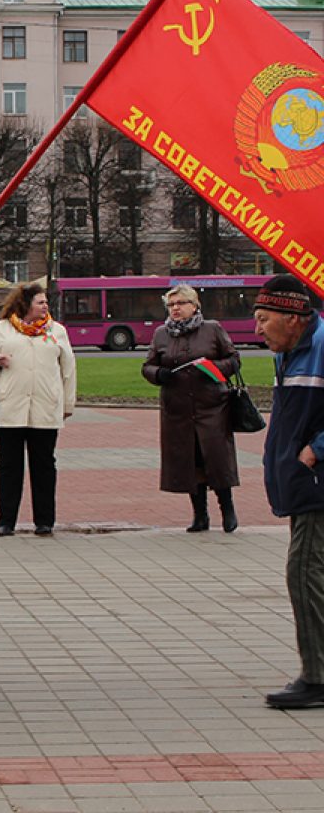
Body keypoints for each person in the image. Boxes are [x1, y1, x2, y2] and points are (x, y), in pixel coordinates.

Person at [254, 275, 324, 709]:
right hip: (305, 482)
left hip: (317, 482)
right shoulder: (292, 349)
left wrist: (315, 452)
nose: (256, 328)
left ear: (293, 318)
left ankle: (318, 677)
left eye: (264, 319)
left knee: (305, 572)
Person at [0, 282, 76, 537]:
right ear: (25, 304)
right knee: (9, 466)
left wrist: (67, 404)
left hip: (45, 408)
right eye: (40, 302)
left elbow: (68, 369)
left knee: (44, 466)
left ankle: (44, 521)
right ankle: (6, 520)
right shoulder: (2, 329)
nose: (45, 306)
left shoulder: (57, 331)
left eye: (46, 302)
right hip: (10, 409)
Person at [141, 284, 241, 532]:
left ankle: (227, 509)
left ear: (195, 305)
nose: (175, 309)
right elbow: (147, 366)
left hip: (212, 407)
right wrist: (159, 374)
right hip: (178, 411)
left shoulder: (212, 329)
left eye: (181, 303)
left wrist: (214, 369)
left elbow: (234, 359)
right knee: (189, 462)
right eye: (171, 305)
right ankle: (200, 515)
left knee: (217, 460)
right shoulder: (162, 334)